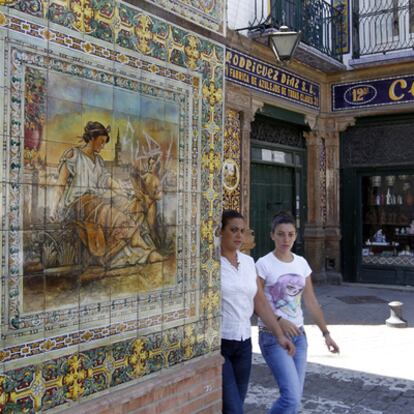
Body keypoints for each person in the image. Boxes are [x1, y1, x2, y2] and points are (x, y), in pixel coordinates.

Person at [256, 211, 340, 414]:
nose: (286, 239)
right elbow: (257, 303)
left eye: (290, 234)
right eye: (281, 234)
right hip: (272, 337)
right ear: (272, 235)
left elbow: (311, 301)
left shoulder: (301, 263)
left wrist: (326, 334)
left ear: (296, 235)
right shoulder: (263, 264)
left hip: (299, 338)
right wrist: (278, 321)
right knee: (291, 399)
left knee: (294, 399)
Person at [50, 121, 163, 266]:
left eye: (105, 143)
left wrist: (124, 193)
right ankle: (137, 242)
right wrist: (54, 209)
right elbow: (60, 184)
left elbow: (108, 181)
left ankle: (140, 249)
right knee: (107, 211)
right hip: (77, 204)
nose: (103, 146)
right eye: (101, 142)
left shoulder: (98, 160)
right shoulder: (74, 155)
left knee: (130, 204)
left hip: (94, 201)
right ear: (92, 138)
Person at [220, 210, 295, 414]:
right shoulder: (211, 265)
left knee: (236, 405)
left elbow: (260, 302)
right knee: (234, 410)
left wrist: (279, 335)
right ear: (220, 232)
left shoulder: (248, 262)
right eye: (233, 230)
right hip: (220, 344)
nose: (238, 236)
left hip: (244, 344)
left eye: (242, 231)